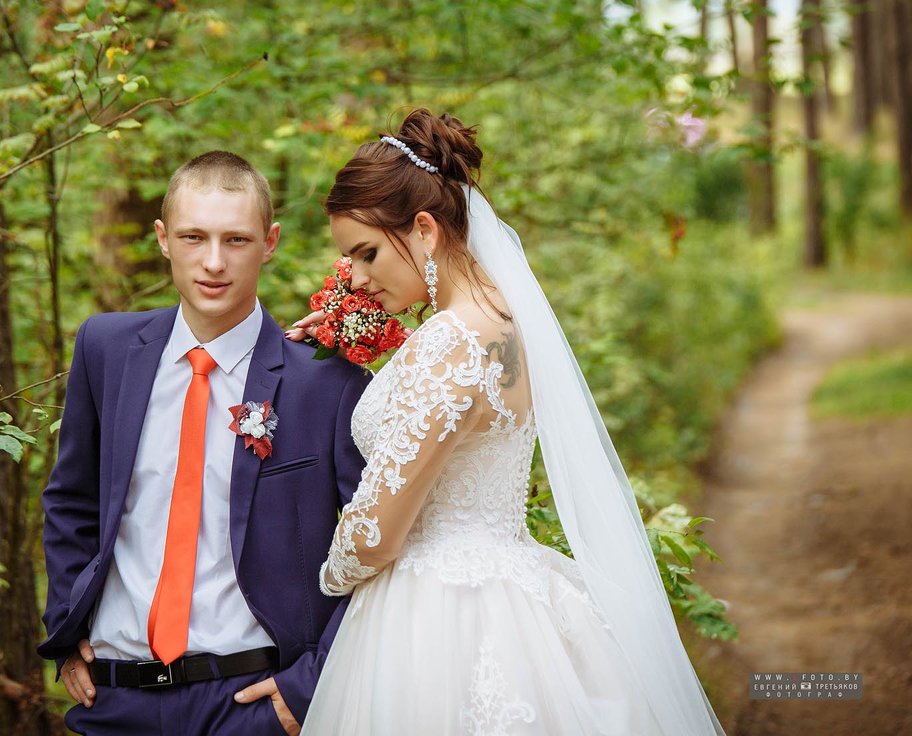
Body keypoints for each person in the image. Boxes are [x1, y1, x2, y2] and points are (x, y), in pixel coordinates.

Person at [288, 110, 726, 735]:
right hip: (509, 588)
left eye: (366, 252)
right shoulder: (501, 324)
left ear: (423, 229)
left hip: (435, 618)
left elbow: (376, 537)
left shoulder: (450, 342)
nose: (354, 277)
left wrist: (322, 578)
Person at [39, 151, 369, 735]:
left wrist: (310, 684)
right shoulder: (105, 349)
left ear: (268, 243)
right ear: (164, 239)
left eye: (236, 240)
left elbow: (378, 550)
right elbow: (71, 499)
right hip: (115, 699)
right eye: (194, 237)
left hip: (252, 704)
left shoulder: (327, 382)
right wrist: (66, 626)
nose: (213, 262)